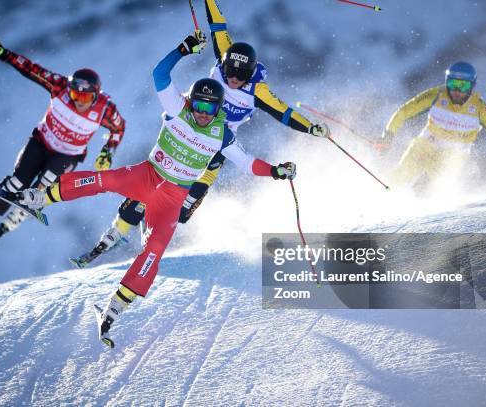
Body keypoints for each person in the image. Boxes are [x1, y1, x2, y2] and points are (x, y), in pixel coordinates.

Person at [16, 33, 298, 347]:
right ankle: (41, 196)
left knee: (155, 249)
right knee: (104, 180)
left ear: (220, 108)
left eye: (210, 107)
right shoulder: (178, 108)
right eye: (199, 104)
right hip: (148, 175)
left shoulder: (221, 135)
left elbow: (248, 164)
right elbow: (160, 75)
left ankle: (116, 307)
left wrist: (275, 171)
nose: (203, 112)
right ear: (191, 100)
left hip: (172, 197)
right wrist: (182, 50)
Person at [71, 0, 330, 267]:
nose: (232, 79)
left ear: (250, 75)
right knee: (155, 182)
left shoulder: (258, 92)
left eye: (240, 77)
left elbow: (284, 113)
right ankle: (119, 229)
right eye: (229, 72)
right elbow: (217, 23)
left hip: (216, 148)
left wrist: (310, 127)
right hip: (189, 131)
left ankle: (144, 230)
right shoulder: (224, 54)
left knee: (182, 212)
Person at [0, 38, 125, 253]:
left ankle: (5, 227)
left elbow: (119, 129)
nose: (79, 101)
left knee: (39, 189)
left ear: (96, 94)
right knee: (16, 183)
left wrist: (107, 152)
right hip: (41, 142)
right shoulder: (60, 86)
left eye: (85, 96)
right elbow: (31, 69)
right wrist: (3, 53)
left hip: (67, 156)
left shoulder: (105, 109)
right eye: (75, 94)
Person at [377, 61, 486, 191]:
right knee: (401, 176)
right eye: (453, 84)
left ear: (472, 87)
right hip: (426, 145)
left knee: (435, 186)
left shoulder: (480, 107)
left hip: (454, 154)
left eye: (463, 86)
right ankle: (385, 196)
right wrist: (388, 136)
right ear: (447, 82)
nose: (457, 91)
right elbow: (403, 112)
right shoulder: (437, 94)